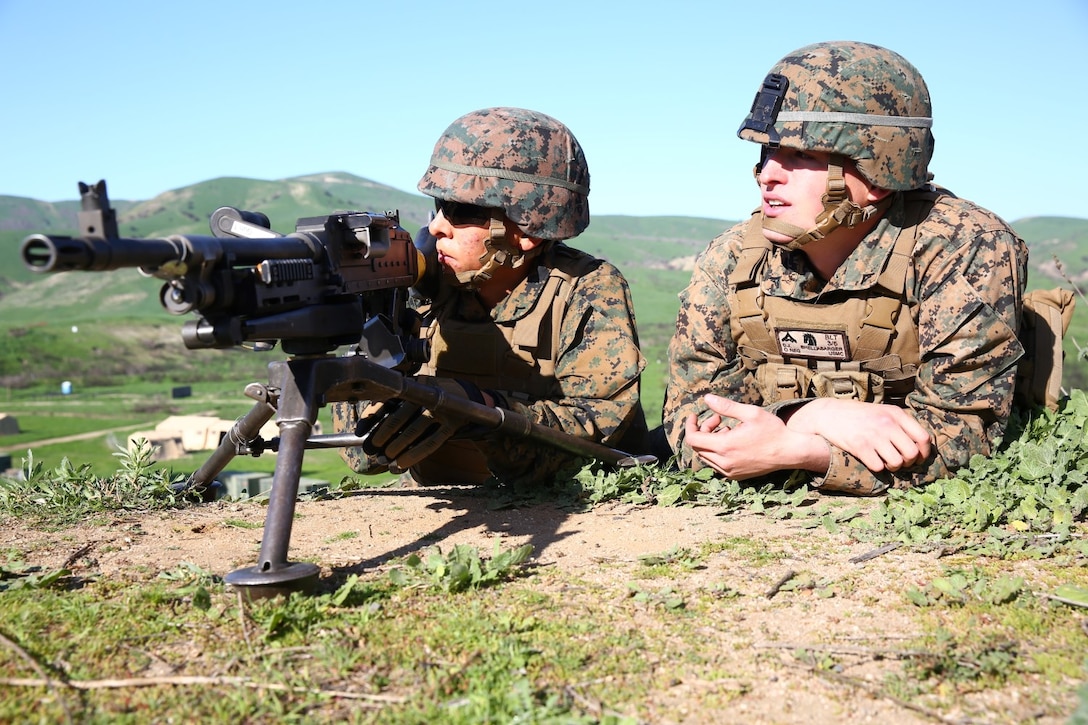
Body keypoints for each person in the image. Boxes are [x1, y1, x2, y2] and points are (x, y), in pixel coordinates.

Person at [661, 41, 1028, 495]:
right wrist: (808, 416)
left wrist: (803, 454)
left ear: (873, 176)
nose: (767, 175)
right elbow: (689, 416)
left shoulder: (964, 247)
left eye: (802, 156)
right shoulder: (732, 257)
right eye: (767, 152)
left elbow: (964, 442)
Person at [332, 106, 647, 486]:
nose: (436, 227)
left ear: (526, 231)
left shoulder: (587, 288)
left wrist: (474, 406)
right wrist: (377, 341)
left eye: (462, 212)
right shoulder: (420, 286)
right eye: (438, 207)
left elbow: (597, 433)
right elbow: (362, 455)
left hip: (567, 506)